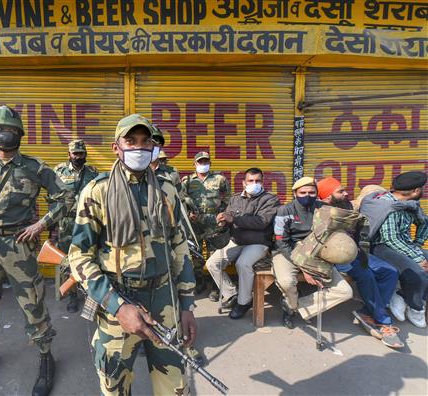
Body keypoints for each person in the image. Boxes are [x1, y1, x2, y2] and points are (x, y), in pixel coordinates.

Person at [68, 114, 197, 396]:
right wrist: (117, 306)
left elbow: (179, 246)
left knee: (175, 386)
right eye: (130, 141)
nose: (138, 147)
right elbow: (79, 257)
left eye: (145, 141)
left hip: (164, 298)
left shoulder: (166, 190)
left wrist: (186, 304)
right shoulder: (97, 192)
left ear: (153, 147)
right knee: (115, 385)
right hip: (120, 297)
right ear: (117, 147)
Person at [0, 105, 73, 395]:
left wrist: (41, 224)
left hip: (19, 245)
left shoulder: (34, 167)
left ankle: (46, 357)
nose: (3, 134)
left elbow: (65, 197)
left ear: (19, 134)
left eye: (9, 130)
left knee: (32, 303)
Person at [317, 177, 403, 348]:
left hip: (357, 252)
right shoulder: (320, 212)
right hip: (337, 256)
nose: (346, 192)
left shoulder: (348, 206)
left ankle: (366, 312)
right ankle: (384, 323)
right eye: (340, 191)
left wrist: (362, 251)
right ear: (327, 197)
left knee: (390, 272)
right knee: (367, 276)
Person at [272, 177, 353, 329]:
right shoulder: (284, 211)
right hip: (288, 251)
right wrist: (305, 267)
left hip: (316, 251)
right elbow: (281, 242)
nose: (307, 195)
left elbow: (331, 234)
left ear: (317, 193)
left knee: (345, 292)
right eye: (303, 192)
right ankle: (292, 304)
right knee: (286, 282)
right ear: (295, 193)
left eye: (311, 192)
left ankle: (294, 305)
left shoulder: (324, 208)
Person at [206, 168, 280, 319]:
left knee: (243, 263)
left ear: (262, 181)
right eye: (251, 181)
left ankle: (244, 302)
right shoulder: (235, 199)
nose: (254, 183)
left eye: (258, 181)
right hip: (236, 240)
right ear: (244, 183)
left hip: (258, 242)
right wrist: (222, 221)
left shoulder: (270, 199)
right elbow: (229, 217)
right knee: (212, 263)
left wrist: (234, 220)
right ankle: (231, 294)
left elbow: (262, 222)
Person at [362, 171, 428, 328]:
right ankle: (415, 306)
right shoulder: (389, 206)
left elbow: (424, 222)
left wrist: (417, 244)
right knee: (417, 271)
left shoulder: (411, 205)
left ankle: (403, 295)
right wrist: (418, 257)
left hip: (403, 244)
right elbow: (391, 239)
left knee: (420, 264)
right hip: (381, 246)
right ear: (416, 191)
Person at [52, 139, 98, 313]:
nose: (78, 157)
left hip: (88, 222)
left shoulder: (93, 172)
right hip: (67, 223)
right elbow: (52, 196)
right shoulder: (59, 171)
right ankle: (72, 296)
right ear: (69, 154)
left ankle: (88, 295)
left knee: (90, 258)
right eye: (75, 153)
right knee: (67, 262)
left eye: (81, 153)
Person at [181, 151, 230, 299]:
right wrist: (189, 213)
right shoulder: (187, 181)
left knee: (214, 254)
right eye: (200, 162)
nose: (203, 165)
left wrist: (222, 213)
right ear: (194, 164)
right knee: (195, 254)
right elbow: (182, 200)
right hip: (195, 221)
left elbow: (228, 196)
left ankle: (216, 287)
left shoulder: (219, 178)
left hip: (213, 219)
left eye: (205, 162)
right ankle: (200, 282)